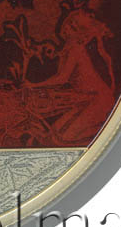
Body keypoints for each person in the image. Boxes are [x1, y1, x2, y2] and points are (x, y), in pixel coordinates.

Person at [25, 7, 115, 144]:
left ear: (81, 35)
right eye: (70, 22)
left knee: (64, 137)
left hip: (98, 100)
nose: (68, 28)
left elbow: (61, 78)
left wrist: (34, 85)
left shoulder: (75, 49)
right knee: (55, 132)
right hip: (86, 100)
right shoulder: (67, 49)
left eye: (74, 28)